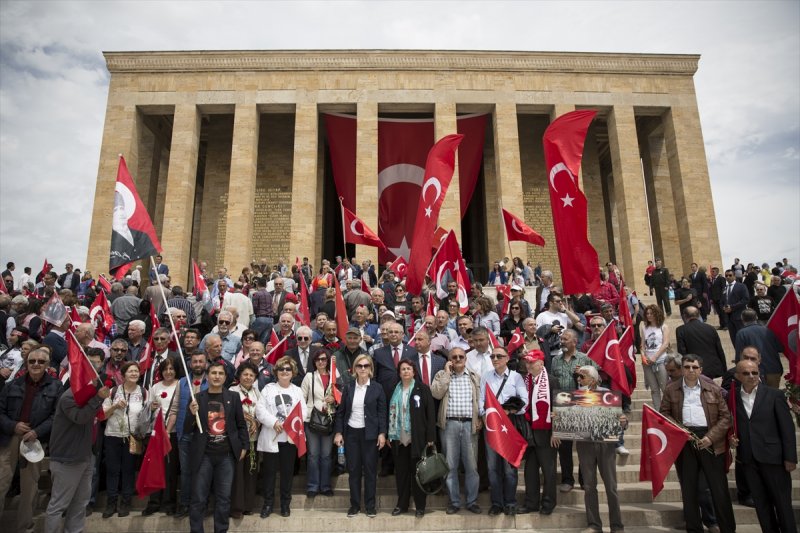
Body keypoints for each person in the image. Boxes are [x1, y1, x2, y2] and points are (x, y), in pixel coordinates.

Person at [660, 354, 736, 533]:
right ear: (682, 369)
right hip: (685, 441)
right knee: (689, 489)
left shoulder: (713, 389)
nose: (691, 370)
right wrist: (680, 431)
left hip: (710, 441)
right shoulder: (671, 389)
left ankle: (727, 528)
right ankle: (694, 528)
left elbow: (726, 417)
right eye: (687, 367)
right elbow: (664, 414)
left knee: (719, 489)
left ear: (701, 370)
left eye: (694, 367)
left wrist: (711, 437)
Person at [730, 359, 797, 533]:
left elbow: (787, 428)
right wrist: (731, 437)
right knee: (762, 505)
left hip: (774, 458)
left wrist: (790, 458)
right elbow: (731, 423)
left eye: (755, 372)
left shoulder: (775, 395)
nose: (751, 376)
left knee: (782, 504)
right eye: (746, 373)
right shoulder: (732, 397)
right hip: (749, 459)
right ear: (738, 376)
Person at [0, 347, 61, 533]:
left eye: (41, 362)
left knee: (30, 487)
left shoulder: (56, 386)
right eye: (32, 361)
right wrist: (13, 426)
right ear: (26, 363)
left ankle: (25, 528)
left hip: (35, 441)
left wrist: (37, 431)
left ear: (47, 364)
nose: (36, 364)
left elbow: (56, 416)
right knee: (1, 482)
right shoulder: (12, 385)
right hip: (10, 438)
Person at [185, 361, 249, 533]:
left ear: (225, 377)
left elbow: (241, 424)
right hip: (203, 456)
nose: (217, 376)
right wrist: (191, 413)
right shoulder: (197, 398)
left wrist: (244, 446)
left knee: (224, 498)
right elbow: (187, 429)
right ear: (207, 376)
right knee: (199, 498)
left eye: (220, 373)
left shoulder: (233, 397)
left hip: (226, 456)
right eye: (213, 373)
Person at [44, 376, 110, 533]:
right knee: (59, 504)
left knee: (80, 503)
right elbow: (80, 417)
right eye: (91, 380)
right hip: (67, 459)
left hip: (85, 456)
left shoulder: (86, 397)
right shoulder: (68, 397)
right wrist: (98, 398)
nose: (95, 383)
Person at [567, 365, 627, 533]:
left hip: (605, 445)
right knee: (589, 486)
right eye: (578, 377)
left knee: (611, 487)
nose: (579, 380)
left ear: (593, 380)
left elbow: (621, 419)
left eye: (582, 377)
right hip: (585, 445)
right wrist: (559, 417)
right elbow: (569, 422)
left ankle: (617, 526)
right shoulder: (575, 396)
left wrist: (623, 421)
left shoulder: (607, 394)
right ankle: (594, 525)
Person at [333, 354, 387, 518]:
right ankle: (355, 505)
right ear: (355, 368)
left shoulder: (377, 388)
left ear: (370, 368)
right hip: (351, 434)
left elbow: (382, 413)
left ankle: (370, 506)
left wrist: (382, 433)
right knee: (354, 471)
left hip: (370, 435)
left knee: (370, 471)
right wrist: (338, 432)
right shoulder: (349, 387)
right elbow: (341, 412)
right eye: (359, 366)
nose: (363, 369)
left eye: (366, 366)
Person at [430, 347, 482, 515]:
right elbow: (436, 393)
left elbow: (481, 399)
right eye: (454, 357)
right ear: (449, 360)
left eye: (461, 356)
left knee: (471, 466)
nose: (458, 359)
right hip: (449, 424)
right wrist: (447, 373)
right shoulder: (441, 375)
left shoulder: (474, 376)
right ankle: (454, 501)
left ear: (466, 359)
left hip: (469, 424)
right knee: (450, 465)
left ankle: (472, 501)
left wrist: (480, 418)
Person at [256, 355, 307, 518]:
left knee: (287, 473)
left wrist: (291, 424)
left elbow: (303, 412)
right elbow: (260, 410)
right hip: (272, 437)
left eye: (288, 369)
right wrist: (273, 422)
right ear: (276, 372)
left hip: (289, 439)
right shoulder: (268, 389)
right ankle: (268, 504)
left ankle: (285, 504)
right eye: (281, 369)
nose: (285, 372)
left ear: (293, 372)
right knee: (269, 474)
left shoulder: (297, 391)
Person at [479, 345, 528, 516]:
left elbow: (524, 401)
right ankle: (496, 503)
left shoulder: (516, 377)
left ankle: (510, 502)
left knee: (509, 467)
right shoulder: (486, 376)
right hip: (491, 424)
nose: (495, 359)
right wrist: (484, 414)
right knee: (492, 467)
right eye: (492, 356)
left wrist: (508, 410)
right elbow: (481, 400)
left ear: (507, 358)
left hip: (509, 424)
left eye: (499, 356)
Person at [549, 328, 595, 493]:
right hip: (562, 406)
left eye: (565, 339)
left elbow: (596, 380)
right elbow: (552, 382)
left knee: (583, 445)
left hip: (581, 405)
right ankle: (567, 479)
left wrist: (584, 374)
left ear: (575, 342)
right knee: (564, 447)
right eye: (561, 339)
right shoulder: (555, 360)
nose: (562, 341)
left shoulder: (584, 358)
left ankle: (585, 479)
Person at [387, 358, 436, 517]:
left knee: (418, 474)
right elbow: (389, 413)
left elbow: (430, 414)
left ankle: (420, 506)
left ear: (414, 372)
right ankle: (402, 505)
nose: (406, 371)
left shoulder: (422, 389)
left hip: (417, 439)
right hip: (398, 439)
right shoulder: (394, 389)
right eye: (403, 369)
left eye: (409, 369)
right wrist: (389, 434)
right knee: (401, 474)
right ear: (399, 373)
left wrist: (430, 437)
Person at [101, 360, 145, 518]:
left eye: (136, 371)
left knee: (129, 470)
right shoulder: (113, 391)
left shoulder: (144, 392)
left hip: (133, 437)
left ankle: (126, 502)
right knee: (112, 470)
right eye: (130, 371)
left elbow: (146, 415)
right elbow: (102, 416)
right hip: (113, 436)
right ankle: (111, 502)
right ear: (124, 374)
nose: (134, 374)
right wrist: (114, 406)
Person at [168, 351, 209, 518]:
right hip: (184, 433)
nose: (198, 364)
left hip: (204, 434)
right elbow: (175, 407)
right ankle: (185, 504)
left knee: (203, 472)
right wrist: (168, 430)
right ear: (190, 364)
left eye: (201, 361)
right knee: (186, 471)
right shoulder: (182, 382)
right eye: (195, 361)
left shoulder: (212, 380)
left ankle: (201, 505)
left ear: (206, 363)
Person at [519, 350, 557, 516]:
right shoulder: (524, 381)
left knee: (548, 471)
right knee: (530, 471)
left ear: (541, 363)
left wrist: (556, 432)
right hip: (529, 434)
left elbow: (558, 408)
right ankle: (531, 503)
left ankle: (548, 503)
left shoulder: (552, 381)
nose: (528, 365)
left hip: (547, 434)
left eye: (531, 362)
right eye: (527, 362)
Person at [143, 357, 180, 515]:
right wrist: (151, 407)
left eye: (171, 369)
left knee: (170, 470)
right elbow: (147, 408)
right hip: (156, 433)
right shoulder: (155, 387)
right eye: (165, 369)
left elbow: (178, 409)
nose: (168, 372)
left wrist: (168, 430)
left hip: (172, 433)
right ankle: (154, 502)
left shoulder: (180, 384)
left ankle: (169, 503)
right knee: (155, 468)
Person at [301, 349, 338, 498]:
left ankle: (325, 486)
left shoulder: (335, 375)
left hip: (329, 419)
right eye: (318, 359)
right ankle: (312, 486)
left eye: (323, 359)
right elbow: (301, 399)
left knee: (326, 455)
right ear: (314, 362)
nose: (321, 362)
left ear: (328, 361)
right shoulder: (309, 376)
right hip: (312, 420)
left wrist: (334, 399)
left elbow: (342, 396)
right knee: (313, 455)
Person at [229, 362, 262, 519]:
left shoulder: (257, 392)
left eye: (251, 375)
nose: (248, 377)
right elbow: (228, 413)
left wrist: (257, 422)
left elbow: (262, 411)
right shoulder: (232, 391)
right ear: (239, 376)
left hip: (253, 438)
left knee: (251, 471)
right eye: (245, 374)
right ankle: (237, 507)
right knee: (237, 473)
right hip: (237, 439)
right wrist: (242, 416)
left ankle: (248, 505)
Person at [734, 308, 784, 388]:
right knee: (773, 394)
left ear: (742, 319)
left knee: (758, 395)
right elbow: (780, 348)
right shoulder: (769, 330)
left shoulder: (741, 333)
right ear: (756, 317)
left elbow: (739, 356)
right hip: (773, 370)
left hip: (754, 373)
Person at [675, 306, 727, 380]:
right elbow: (719, 350)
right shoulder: (710, 328)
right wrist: (724, 369)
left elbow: (682, 352)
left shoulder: (681, 330)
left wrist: (684, 369)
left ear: (684, 316)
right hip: (711, 367)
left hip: (694, 368)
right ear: (699, 315)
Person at [638, 304, 670, 407]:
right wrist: (643, 355)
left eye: (651, 313)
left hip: (660, 360)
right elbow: (642, 345)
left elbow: (665, 344)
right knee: (654, 389)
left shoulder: (663, 327)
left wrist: (655, 357)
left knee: (665, 388)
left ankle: (668, 411)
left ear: (657, 313)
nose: (649, 315)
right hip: (647, 362)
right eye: (647, 313)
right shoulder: (644, 328)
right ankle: (657, 411)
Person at [721, 269, 749, 345]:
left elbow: (745, 299)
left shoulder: (741, 286)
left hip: (739, 317)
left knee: (742, 338)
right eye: (726, 275)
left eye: (730, 275)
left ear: (734, 276)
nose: (728, 277)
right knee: (734, 339)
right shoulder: (724, 288)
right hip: (729, 318)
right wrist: (723, 307)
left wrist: (732, 307)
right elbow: (722, 300)